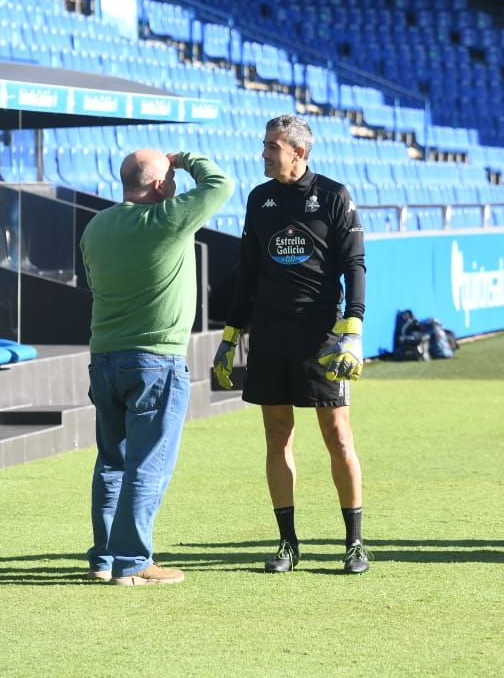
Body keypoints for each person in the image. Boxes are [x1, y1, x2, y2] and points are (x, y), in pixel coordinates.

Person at [212, 115, 370, 574]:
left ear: (298, 153)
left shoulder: (335, 196)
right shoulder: (259, 199)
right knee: (277, 435)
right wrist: (230, 336)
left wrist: (352, 331)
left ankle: (355, 544)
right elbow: (247, 272)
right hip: (268, 334)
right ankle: (287, 543)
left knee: (337, 436)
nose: (263, 153)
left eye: (271, 146)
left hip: (320, 335)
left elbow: (355, 266)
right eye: (264, 145)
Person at [80, 148, 232, 586]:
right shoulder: (168, 218)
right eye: (171, 179)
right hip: (155, 361)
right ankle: (133, 563)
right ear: (161, 185)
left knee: (112, 462)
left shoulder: (95, 226)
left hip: (104, 358)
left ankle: (103, 559)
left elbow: (93, 282)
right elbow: (219, 185)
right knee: (149, 464)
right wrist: (183, 157)